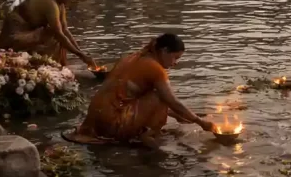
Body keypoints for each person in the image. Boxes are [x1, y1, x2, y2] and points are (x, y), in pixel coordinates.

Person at [67, 33, 214, 148]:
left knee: (157, 96)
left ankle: (138, 131)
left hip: (95, 120)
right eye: (175, 58)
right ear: (164, 51)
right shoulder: (154, 68)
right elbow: (171, 101)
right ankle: (145, 134)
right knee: (160, 96)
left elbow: (135, 97)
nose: (176, 63)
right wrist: (200, 122)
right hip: (110, 124)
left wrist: (177, 115)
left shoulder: (134, 57)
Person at [0, 0, 97, 68]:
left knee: (59, 36)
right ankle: (47, 65)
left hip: (28, 32)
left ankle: (57, 65)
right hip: (15, 34)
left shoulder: (60, 5)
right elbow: (59, 34)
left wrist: (82, 54)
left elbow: (65, 30)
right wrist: (81, 56)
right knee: (55, 36)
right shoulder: (51, 4)